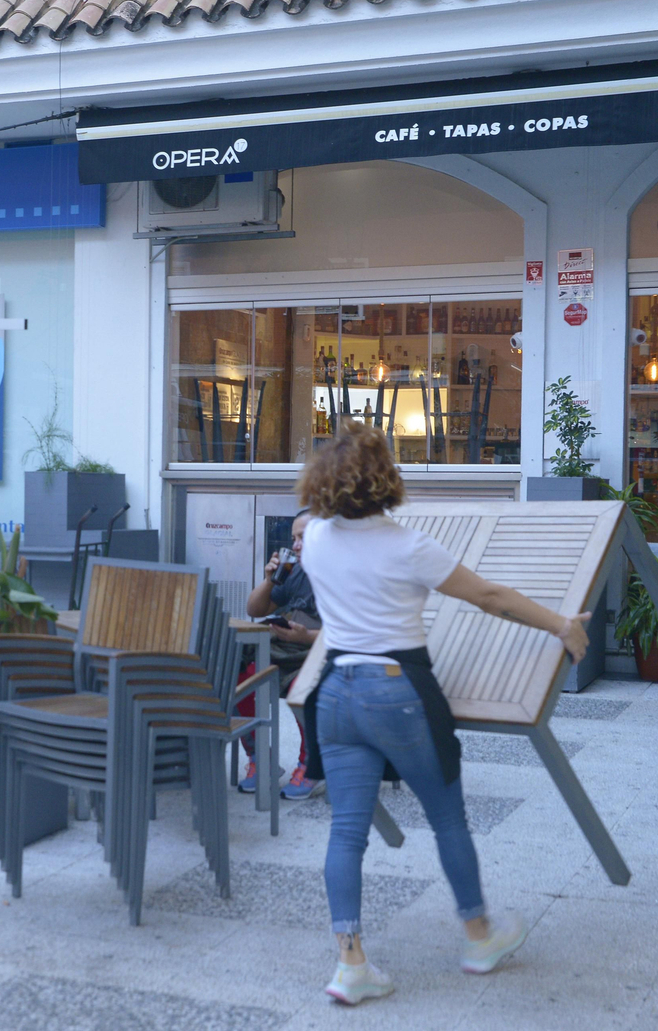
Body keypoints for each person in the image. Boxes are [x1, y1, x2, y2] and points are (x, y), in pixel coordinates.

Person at [295, 423, 590, 1005]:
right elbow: (490, 597)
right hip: (396, 689)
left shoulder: (319, 540)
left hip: (334, 693)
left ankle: (350, 963)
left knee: (346, 831)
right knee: (448, 819)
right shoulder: (408, 546)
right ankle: (479, 937)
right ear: (387, 478)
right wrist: (561, 625)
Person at [238, 509, 322, 798]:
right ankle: (260, 759)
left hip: (323, 655)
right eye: (294, 538)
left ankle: (312, 764)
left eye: (304, 538)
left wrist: (307, 636)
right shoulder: (294, 571)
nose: (296, 545)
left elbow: (359, 632)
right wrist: (270, 580)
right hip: (285, 650)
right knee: (238, 678)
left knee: (303, 690)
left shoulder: (347, 573)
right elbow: (254, 610)